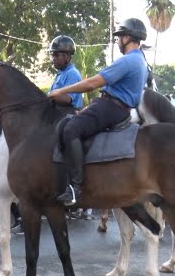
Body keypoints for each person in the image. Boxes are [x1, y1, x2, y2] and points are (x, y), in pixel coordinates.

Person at [48, 18, 149, 206]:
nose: (118, 41)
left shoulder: (128, 60)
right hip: (117, 108)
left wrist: (60, 91)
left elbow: (93, 83)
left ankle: (75, 187)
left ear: (127, 37)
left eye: (119, 37)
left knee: (71, 129)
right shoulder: (140, 60)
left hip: (110, 108)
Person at [47, 35, 83, 114]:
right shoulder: (61, 73)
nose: (53, 58)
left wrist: (48, 96)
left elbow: (67, 99)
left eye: (56, 55)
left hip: (67, 115)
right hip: (56, 113)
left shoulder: (72, 74)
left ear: (67, 56)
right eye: (52, 55)